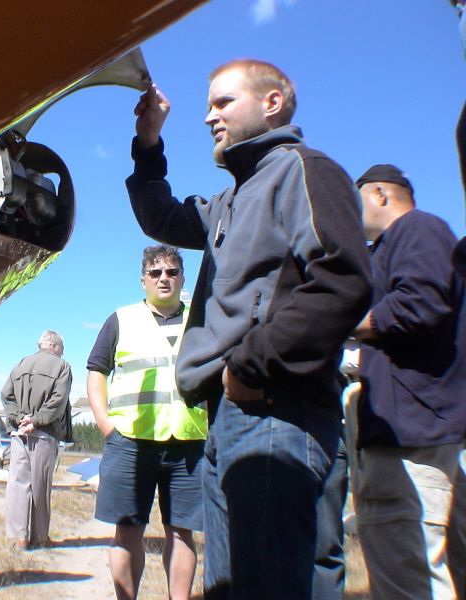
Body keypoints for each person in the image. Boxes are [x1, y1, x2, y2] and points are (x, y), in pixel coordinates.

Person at [126, 59, 373, 599]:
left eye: (223, 102)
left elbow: (343, 279)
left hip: (275, 412)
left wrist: (248, 363)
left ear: (272, 103)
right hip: (229, 417)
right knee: (230, 587)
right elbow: (162, 217)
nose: (208, 115)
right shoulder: (229, 201)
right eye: (208, 105)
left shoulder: (303, 171)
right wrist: (148, 145)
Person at [351, 164, 466, 600]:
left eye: (355, 197)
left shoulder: (418, 229)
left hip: (412, 432)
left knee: (408, 569)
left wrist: (340, 323)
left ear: (380, 194)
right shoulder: (386, 247)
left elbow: (419, 305)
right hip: (418, 425)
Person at [87, 244, 207, 600]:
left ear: (183, 278)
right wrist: (106, 425)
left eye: (171, 272)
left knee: (183, 532)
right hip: (130, 442)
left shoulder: (201, 320)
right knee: (127, 530)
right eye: (156, 273)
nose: (164, 279)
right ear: (143, 280)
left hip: (189, 442)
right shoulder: (121, 319)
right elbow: (96, 371)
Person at [1, 330, 72, 550]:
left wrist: (19, 418)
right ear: (54, 346)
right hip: (44, 433)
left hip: (19, 434)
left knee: (18, 484)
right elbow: (58, 401)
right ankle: (39, 537)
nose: (62, 352)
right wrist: (37, 420)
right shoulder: (62, 367)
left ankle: (20, 538)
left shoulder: (21, 363)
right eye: (61, 348)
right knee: (40, 486)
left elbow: (6, 395)